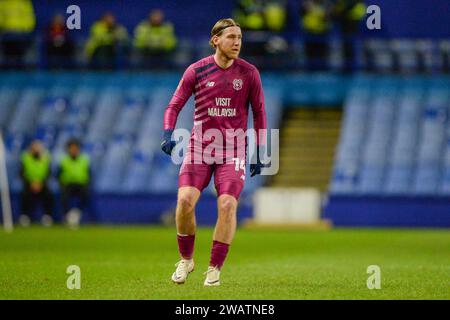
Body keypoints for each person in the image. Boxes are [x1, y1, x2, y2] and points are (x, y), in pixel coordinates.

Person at [161, 18, 267, 286]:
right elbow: (174, 106)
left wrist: (261, 150)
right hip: (200, 148)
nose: (237, 42)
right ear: (215, 41)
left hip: (233, 151)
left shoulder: (249, 73)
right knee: (185, 200)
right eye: (231, 37)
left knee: (228, 204)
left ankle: (214, 267)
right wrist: (168, 133)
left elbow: (260, 112)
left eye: (240, 38)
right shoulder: (196, 71)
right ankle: (186, 260)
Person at [57, 138, 91, 228]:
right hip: (67, 184)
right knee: (63, 195)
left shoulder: (84, 160)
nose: (74, 150)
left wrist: (87, 183)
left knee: (86, 194)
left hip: (81, 184)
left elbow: (89, 174)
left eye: (75, 148)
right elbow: (58, 175)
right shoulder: (64, 161)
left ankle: (76, 213)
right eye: (72, 148)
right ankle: (67, 215)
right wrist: (61, 184)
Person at [19, 140, 54, 227]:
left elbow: (48, 173)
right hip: (29, 183)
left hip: (42, 183)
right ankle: (25, 216)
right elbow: (21, 173)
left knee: (48, 194)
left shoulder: (46, 158)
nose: (36, 149)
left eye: (38, 147)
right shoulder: (25, 158)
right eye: (34, 147)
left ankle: (47, 216)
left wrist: (40, 183)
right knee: (25, 194)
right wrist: (31, 183)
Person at [0, 0, 36, 69]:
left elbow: (30, 19)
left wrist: (23, 29)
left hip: (22, 33)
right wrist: (6, 27)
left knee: (32, 41)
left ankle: (28, 70)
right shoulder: (2, 2)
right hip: (6, 33)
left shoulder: (25, 2)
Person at [333, 0, 366, 72]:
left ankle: (351, 67)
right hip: (346, 20)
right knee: (346, 44)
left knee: (350, 44)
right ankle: (348, 66)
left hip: (352, 19)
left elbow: (351, 4)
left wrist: (339, 13)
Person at [300, 0, 333, 71]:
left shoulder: (326, 4)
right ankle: (310, 71)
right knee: (310, 55)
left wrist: (326, 13)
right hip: (309, 32)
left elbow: (328, 17)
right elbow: (301, 13)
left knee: (322, 56)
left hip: (322, 32)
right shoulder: (307, 3)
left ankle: (323, 71)